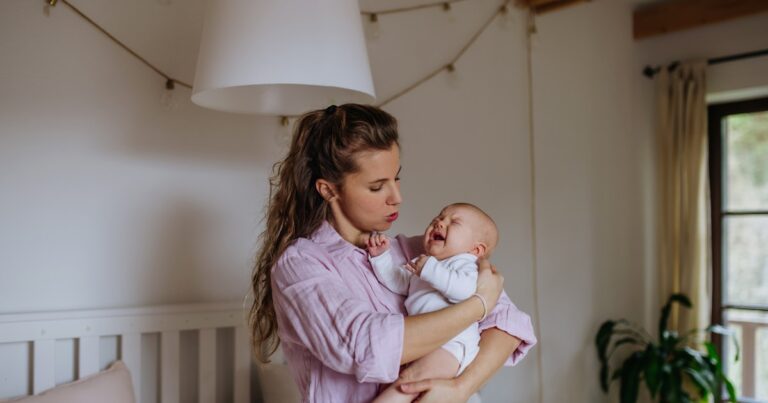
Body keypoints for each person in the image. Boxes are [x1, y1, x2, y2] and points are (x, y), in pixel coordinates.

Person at [249, 104, 536, 403]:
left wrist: (460, 389)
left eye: (396, 178)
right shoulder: (301, 264)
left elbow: (507, 323)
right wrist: (479, 306)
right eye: (377, 187)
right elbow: (364, 347)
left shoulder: (417, 251)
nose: (397, 198)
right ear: (329, 190)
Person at [367, 202, 499, 403]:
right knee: (408, 384)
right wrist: (381, 259)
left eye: (454, 222)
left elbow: (464, 291)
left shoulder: (467, 265)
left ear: (476, 249)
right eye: (438, 217)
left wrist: (429, 269)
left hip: (452, 345)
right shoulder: (427, 262)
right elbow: (400, 282)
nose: (439, 222)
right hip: (427, 343)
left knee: (409, 382)